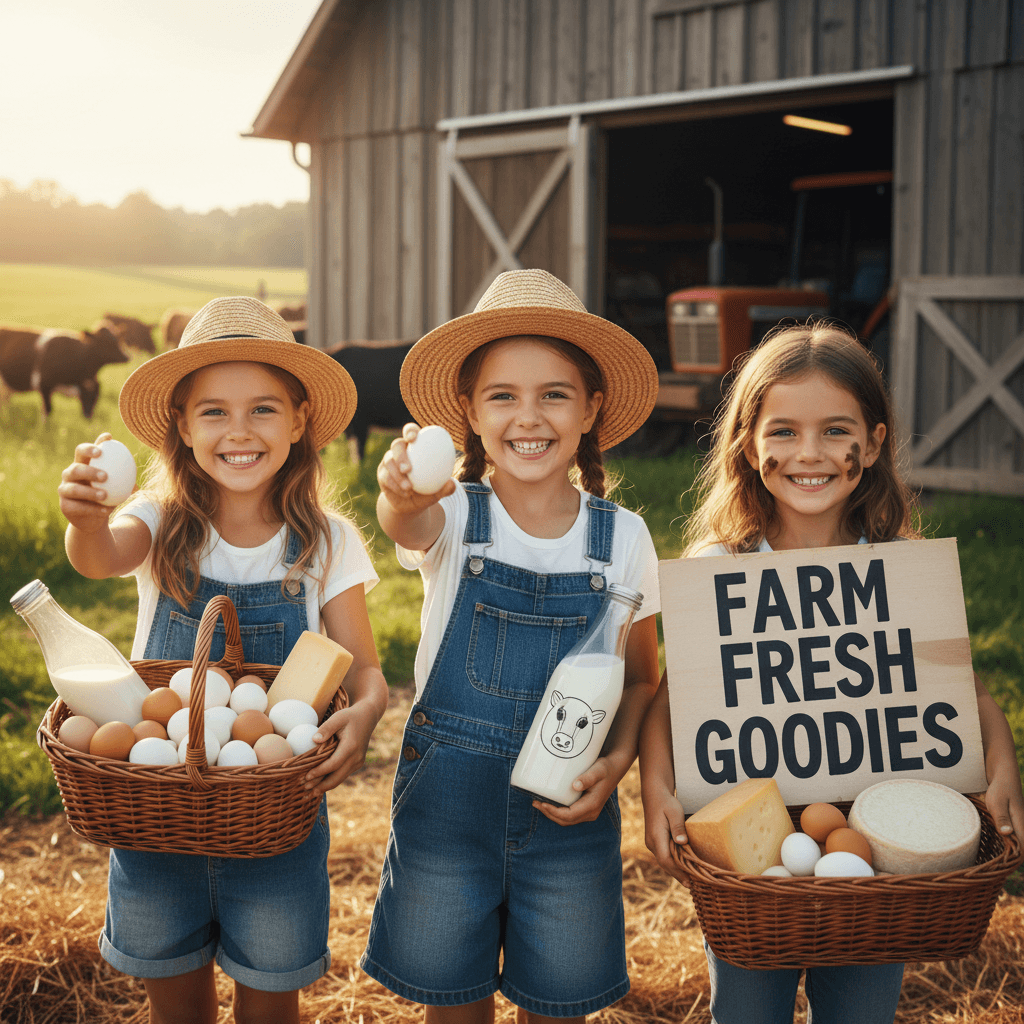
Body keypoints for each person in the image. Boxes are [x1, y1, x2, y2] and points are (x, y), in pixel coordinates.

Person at [639, 322, 1024, 1024]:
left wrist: (1002, 770)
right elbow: (673, 702)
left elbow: (963, 692)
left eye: (835, 431)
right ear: (748, 444)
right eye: (782, 431)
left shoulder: (900, 570)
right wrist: (656, 788)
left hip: (877, 853)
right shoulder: (721, 572)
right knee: (747, 1015)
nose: (808, 455)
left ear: (873, 442)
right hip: (748, 864)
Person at [57, 296, 389, 1024]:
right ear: (181, 424)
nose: (239, 431)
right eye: (213, 411)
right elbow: (98, 556)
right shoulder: (156, 518)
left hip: (274, 823)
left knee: (270, 1004)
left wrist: (364, 714)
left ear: (300, 420)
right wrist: (85, 518)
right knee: (177, 1005)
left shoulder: (327, 543)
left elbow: (365, 668)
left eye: (263, 409)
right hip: (155, 813)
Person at [359, 268, 663, 1023]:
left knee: (556, 1007)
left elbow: (641, 679)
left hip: (570, 816)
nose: (529, 416)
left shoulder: (622, 538)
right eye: (503, 396)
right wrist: (401, 493)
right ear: (468, 410)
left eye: (554, 394)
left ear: (591, 408)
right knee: (452, 1004)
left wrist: (619, 761)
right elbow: (405, 523)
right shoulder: (454, 516)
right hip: (448, 812)